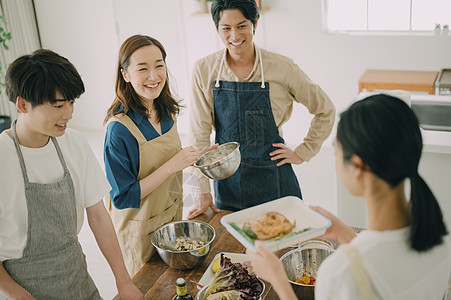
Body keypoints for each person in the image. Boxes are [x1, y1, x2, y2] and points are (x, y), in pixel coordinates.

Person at [246, 94, 451, 299]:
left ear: (358, 166)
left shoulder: (339, 273)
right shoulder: (441, 236)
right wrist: (348, 238)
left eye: (336, 152)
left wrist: (278, 280)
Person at [0, 49, 143, 299]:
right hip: (20, 290)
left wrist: (123, 281)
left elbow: (98, 216)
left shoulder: (74, 143)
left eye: (71, 102)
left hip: (76, 281)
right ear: (23, 104)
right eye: (58, 105)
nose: (68, 113)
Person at [187, 0, 335, 218]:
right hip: (228, 182)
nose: (234, 36)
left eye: (241, 26)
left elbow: (325, 110)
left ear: (255, 22)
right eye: (226, 28)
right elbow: (198, 134)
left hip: (274, 180)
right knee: (233, 249)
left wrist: (303, 152)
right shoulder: (204, 70)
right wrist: (202, 189)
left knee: (282, 245)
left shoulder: (282, 68)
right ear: (217, 28)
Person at [104, 35, 213, 276]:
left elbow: (171, 158)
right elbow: (122, 197)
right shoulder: (119, 130)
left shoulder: (165, 111)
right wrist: (173, 165)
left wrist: (201, 156)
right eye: (143, 68)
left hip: (171, 219)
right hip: (139, 231)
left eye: (159, 65)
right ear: (125, 75)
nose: (154, 76)